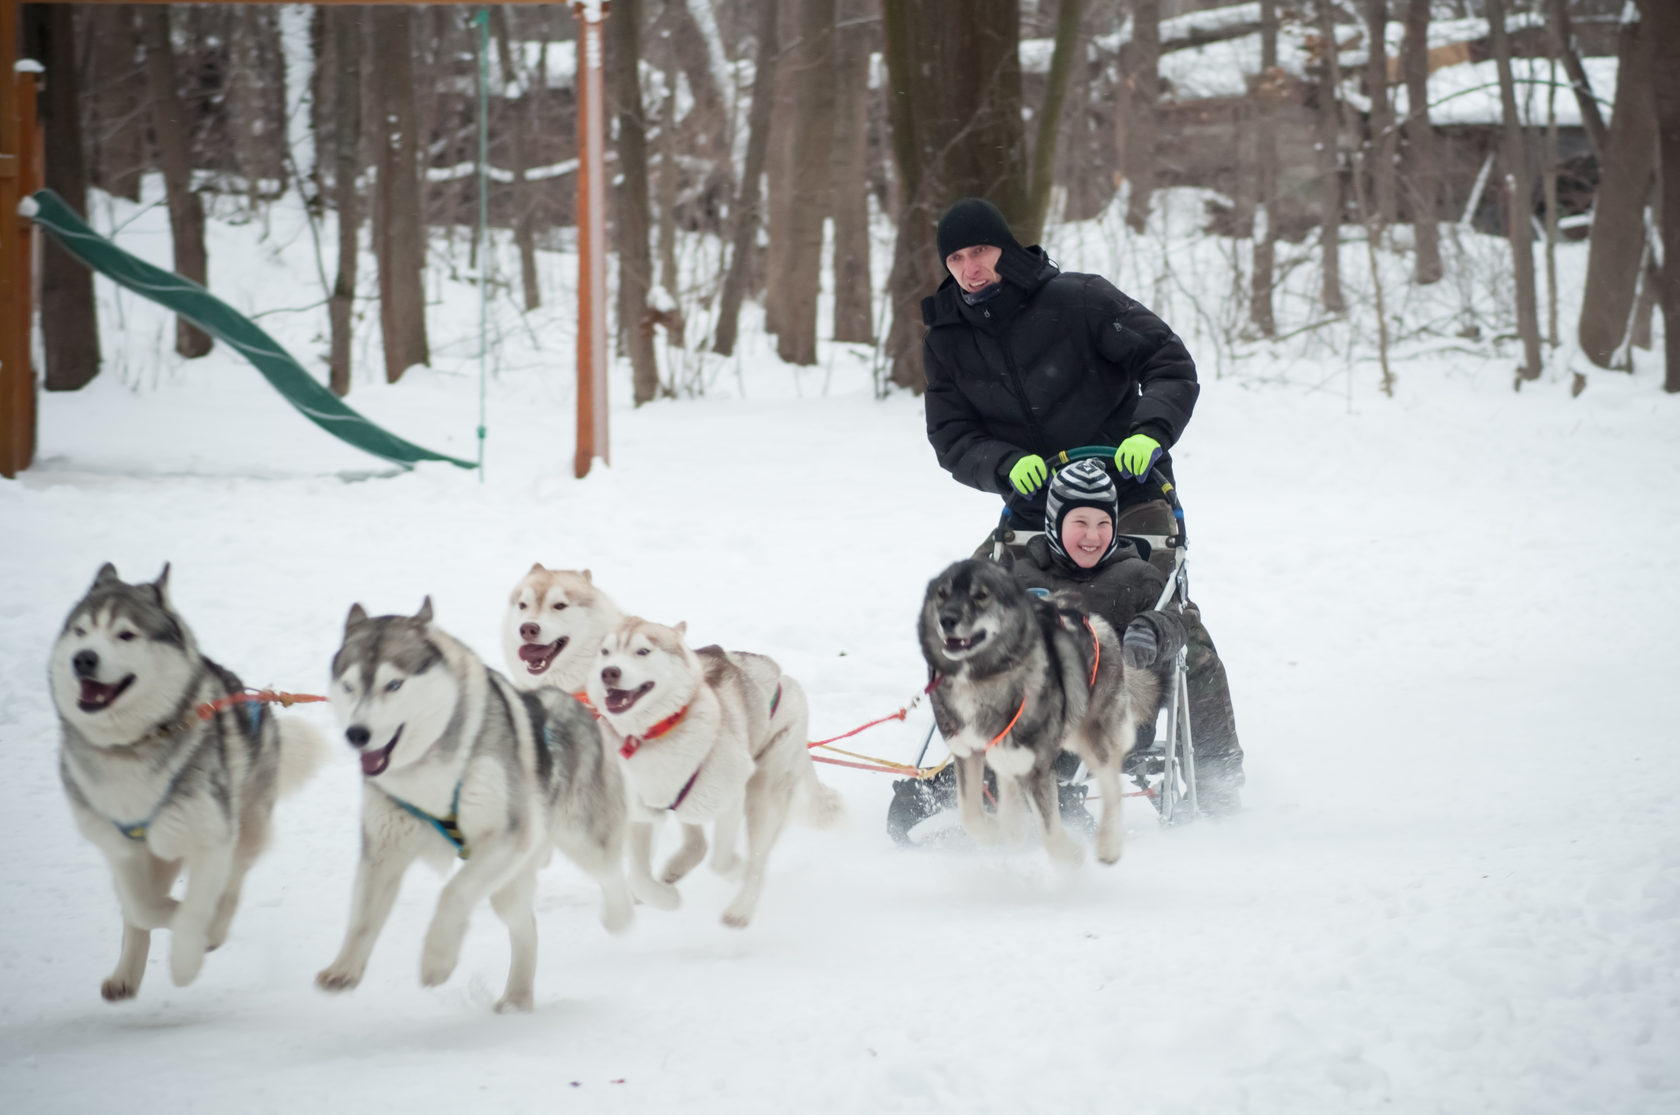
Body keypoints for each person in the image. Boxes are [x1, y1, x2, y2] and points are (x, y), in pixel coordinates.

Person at [920, 197, 1244, 812]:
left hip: (1130, 489)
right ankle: (983, 763)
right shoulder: (948, 339)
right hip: (1031, 501)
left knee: (1171, 621)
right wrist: (1002, 463)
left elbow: (1169, 362)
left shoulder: (1080, 300)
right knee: (965, 620)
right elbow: (951, 437)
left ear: (1007, 250)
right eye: (956, 258)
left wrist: (1149, 432)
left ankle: (1218, 779)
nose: (970, 268)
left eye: (981, 251)